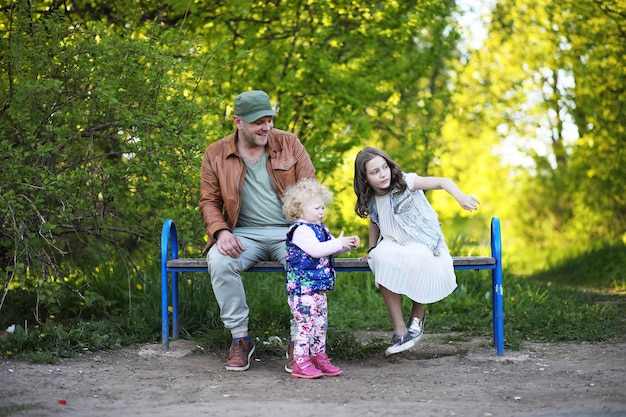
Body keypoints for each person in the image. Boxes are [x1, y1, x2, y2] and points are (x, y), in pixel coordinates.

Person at [199, 90, 316, 371]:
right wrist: (220, 232)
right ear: (238, 122)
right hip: (243, 234)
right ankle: (240, 339)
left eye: (269, 120)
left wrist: (305, 230)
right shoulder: (216, 153)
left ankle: (299, 341)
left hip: (290, 232)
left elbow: (309, 188)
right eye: (258, 122)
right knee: (218, 259)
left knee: (309, 260)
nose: (267, 127)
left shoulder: (288, 143)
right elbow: (209, 201)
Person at [353, 147, 479, 356]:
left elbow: (442, 181)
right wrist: (372, 248)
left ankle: (418, 314)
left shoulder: (405, 182)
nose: (383, 174)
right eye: (374, 172)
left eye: (384, 167)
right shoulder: (371, 198)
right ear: (364, 178)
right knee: (380, 258)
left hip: (421, 240)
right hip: (393, 242)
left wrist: (461, 197)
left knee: (416, 258)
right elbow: (374, 223)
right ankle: (399, 328)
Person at [281, 179, 360, 378]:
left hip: (318, 288)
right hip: (302, 290)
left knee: (319, 325)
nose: (322, 211)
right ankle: (300, 361)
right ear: (299, 210)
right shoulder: (300, 231)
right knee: (306, 326)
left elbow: (331, 247)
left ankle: (319, 357)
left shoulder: (320, 229)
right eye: (317, 207)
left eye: (323, 207)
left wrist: (346, 244)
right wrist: (337, 243)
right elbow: (317, 251)